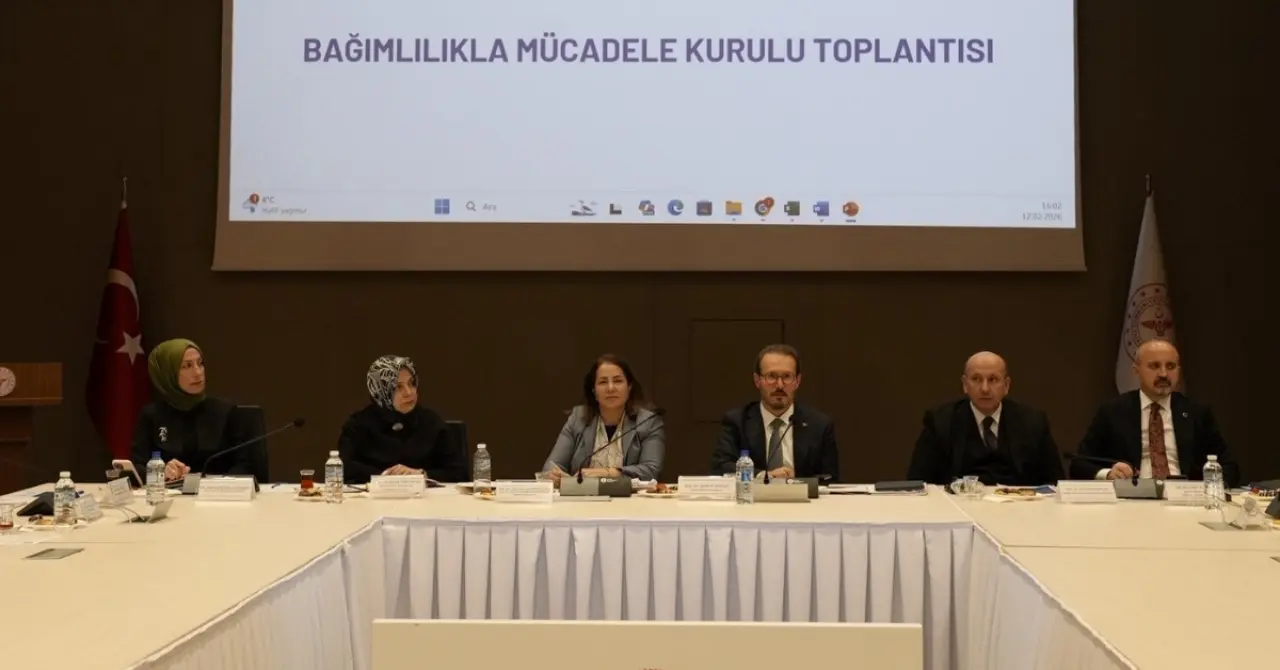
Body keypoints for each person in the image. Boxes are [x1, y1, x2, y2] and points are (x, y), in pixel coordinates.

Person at [1071, 339, 1238, 487]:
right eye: (1154, 366)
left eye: (1170, 366)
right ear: (1136, 370)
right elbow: (1079, 464)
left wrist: (1208, 489)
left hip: (1186, 499)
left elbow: (1229, 466)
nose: (1163, 374)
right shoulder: (1113, 411)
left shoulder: (1197, 412)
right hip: (1132, 499)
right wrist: (1108, 474)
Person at [907, 351, 1064, 487]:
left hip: (1018, 506)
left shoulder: (1032, 421)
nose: (984, 388)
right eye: (976, 379)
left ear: (1006, 385)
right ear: (965, 384)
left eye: (993, 379)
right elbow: (919, 481)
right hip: (960, 504)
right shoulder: (941, 421)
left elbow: (1054, 481)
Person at [130, 338, 257, 480]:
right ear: (168, 373)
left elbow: (246, 465)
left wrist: (219, 484)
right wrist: (161, 473)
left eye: (200, 363)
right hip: (169, 492)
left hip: (219, 492)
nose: (197, 372)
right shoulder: (152, 415)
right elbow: (136, 468)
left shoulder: (226, 411)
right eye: (187, 366)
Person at [710, 344, 839, 481]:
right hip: (754, 494)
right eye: (771, 376)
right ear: (757, 380)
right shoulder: (737, 422)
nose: (779, 385)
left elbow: (830, 478)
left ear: (797, 381)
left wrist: (798, 484)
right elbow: (721, 467)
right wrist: (765, 477)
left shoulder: (819, 425)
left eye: (787, 376)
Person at [338, 355, 469, 484]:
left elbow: (459, 472)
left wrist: (420, 474)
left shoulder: (431, 422)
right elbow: (342, 468)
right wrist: (385, 477)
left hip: (423, 497)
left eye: (412, 383)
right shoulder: (358, 425)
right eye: (398, 387)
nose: (409, 392)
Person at [542, 354, 664, 484]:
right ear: (594, 391)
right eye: (603, 382)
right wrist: (554, 475)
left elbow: (650, 471)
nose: (610, 388)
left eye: (617, 381)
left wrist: (607, 472)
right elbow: (551, 466)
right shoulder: (578, 419)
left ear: (629, 387)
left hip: (630, 496)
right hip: (583, 495)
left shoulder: (648, 422)